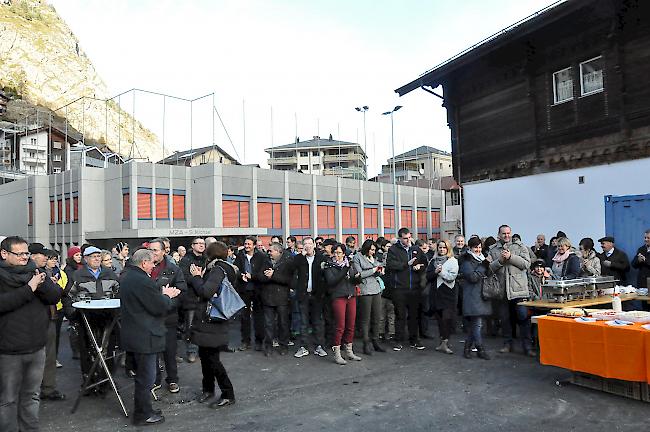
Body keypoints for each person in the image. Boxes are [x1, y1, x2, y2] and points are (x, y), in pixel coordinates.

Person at [0, 236, 61, 432]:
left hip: (36, 346)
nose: (24, 258)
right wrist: (30, 288)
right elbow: (4, 304)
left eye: (26, 253)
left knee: (31, 395)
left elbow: (54, 296)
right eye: (19, 254)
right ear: (4, 254)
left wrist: (42, 283)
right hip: (9, 350)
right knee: (8, 399)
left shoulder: (34, 271)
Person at [120, 249, 180, 426]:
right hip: (145, 334)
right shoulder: (141, 280)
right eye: (152, 263)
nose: (154, 266)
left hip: (137, 332)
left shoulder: (129, 276)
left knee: (145, 376)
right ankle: (142, 414)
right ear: (144, 262)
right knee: (146, 377)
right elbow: (158, 306)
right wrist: (167, 296)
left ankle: (145, 410)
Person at [187, 241, 237, 409]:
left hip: (212, 321)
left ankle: (228, 393)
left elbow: (205, 292)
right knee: (205, 356)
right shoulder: (223, 267)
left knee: (213, 359)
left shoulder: (217, 270)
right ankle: (208, 389)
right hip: (210, 321)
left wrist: (196, 278)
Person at [68, 246, 121, 391]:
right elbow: (69, 297)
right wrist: (73, 315)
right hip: (86, 318)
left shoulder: (110, 273)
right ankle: (89, 382)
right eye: (93, 256)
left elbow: (119, 293)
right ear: (86, 259)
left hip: (108, 318)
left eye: (98, 256)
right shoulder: (77, 275)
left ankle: (107, 380)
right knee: (87, 350)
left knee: (108, 350)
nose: (97, 259)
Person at [148, 238, 187, 396]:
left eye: (155, 250)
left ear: (164, 252)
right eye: (150, 250)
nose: (152, 253)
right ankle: (155, 379)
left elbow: (181, 292)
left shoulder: (173, 270)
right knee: (151, 350)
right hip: (149, 317)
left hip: (168, 317)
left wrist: (167, 304)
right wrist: (162, 297)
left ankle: (172, 379)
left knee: (169, 350)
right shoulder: (144, 268)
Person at [488, 225, 534, 356]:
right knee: (505, 319)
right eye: (503, 233)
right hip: (502, 291)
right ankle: (507, 344)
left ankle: (527, 346)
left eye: (508, 233)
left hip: (519, 290)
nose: (506, 236)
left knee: (523, 318)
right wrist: (500, 261)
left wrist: (511, 257)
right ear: (499, 234)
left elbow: (526, 264)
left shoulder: (520, 247)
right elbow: (489, 269)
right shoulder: (493, 250)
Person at [32, 245, 66, 401]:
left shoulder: (43, 272)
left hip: (47, 317)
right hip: (39, 320)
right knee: (42, 356)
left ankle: (46, 388)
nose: (46, 258)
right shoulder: (36, 273)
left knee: (49, 355)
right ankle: (43, 389)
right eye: (42, 254)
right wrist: (55, 286)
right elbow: (54, 294)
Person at [386, 228, 428, 351]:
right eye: (405, 238)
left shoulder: (416, 249)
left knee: (414, 315)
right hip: (399, 288)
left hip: (414, 288)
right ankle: (398, 340)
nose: (408, 240)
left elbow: (425, 263)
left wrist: (419, 266)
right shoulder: (393, 250)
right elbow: (390, 265)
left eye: (409, 237)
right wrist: (406, 264)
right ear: (399, 238)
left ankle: (414, 339)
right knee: (400, 315)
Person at [323, 243, 362, 365]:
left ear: (344, 253)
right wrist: (344, 269)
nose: (336, 255)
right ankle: (337, 352)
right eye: (334, 252)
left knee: (351, 324)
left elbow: (355, 280)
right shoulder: (329, 265)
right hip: (338, 296)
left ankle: (349, 351)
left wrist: (357, 277)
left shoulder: (349, 264)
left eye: (339, 253)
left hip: (351, 295)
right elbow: (332, 281)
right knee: (340, 325)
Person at [293, 237, 328, 358]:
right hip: (303, 294)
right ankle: (303, 346)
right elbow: (292, 270)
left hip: (317, 295)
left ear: (314, 245)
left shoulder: (321, 258)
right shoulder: (299, 258)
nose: (307, 246)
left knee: (317, 321)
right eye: (305, 244)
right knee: (303, 322)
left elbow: (325, 276)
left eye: (309, 243)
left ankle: (319, 346)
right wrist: (301, 256)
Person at [258, 243, 293, 356]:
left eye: (271, 251)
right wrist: (267, 277)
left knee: (283, 323)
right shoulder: (265, 261)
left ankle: (284, 345)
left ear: (278, 252)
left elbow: (289, 280)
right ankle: (268, 346)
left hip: (282, 298)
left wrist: (274, 275)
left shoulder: (287, 262)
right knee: (268, 324)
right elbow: (259, 276)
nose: (269, 253)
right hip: (267, 297)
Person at [233, 236, 267, 351]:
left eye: (249, 244)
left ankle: (259, 341)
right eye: (245, 244)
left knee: (258, 316)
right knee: (244, 316)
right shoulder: (240, 256)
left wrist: (253, 277)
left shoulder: (262, 256)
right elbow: (235, 270)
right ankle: (245, 341)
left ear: (254, 245)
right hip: (244, 289)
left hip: (258, 289)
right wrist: (240, 276)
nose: (247, 246)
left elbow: (264, 273)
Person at [460, 237, 492, 360]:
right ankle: (480, 349)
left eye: (479, 247)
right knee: (477, 324)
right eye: (475, 247)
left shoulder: (482, 259)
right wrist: (483, 265)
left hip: (482, 295)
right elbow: (473, 277)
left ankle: (467, 347)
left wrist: (487, 265)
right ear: (470, 248)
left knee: (476, 325)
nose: (478, 250)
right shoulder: (466, 261)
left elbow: (488, 274)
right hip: (472, 296)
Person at [353, 239, 386, 355]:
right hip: (365, 290)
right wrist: (373, 270)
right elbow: (359, 274)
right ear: (366, 248)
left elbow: (376, 269)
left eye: (374, 250)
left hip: (376, 289)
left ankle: (375, 340)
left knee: (377, 317)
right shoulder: (357, 257)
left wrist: (379, 271)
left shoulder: (374, 258)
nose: (373, 252)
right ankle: (365, 343)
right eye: (371, 249)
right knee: (365, 318)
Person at [427, 239, 459, 355]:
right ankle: (443, 341)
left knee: (447, 319)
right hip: (435, 293)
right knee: (440, 319)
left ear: (448, 249)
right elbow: (428, 276)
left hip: (448, 293)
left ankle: (445, 342)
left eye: (444, 247)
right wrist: (435, 272)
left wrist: (441, 273)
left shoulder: (453, 261)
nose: (441, 249)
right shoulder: (433, 260)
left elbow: (452, 277)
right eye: (440, 247)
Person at [179, 237, 207, 363]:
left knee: (204, 326)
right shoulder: (186, 260)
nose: (201, 245)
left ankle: (203, 350)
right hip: (190, 299)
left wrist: (198, 277)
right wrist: (197, 278)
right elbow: (183, 278)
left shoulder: (206, 259)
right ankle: (191, 352)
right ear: (192, 245)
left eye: (203, 243)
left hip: (204, 296)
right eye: (198, 243)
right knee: (191, 326)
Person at [377, 238, 395, 341]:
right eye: (387, 246)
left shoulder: (394, 264)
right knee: (381, 315)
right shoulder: (379, 263)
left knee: (391, 315)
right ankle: (381, 332)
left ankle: (392, 333)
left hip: (392, 291)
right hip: (382, 292)